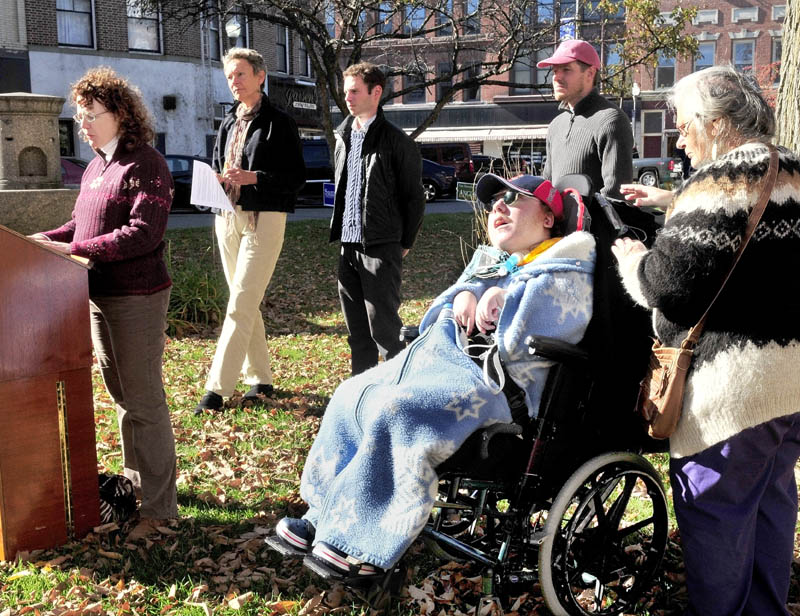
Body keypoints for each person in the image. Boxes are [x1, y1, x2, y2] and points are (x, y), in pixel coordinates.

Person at [272, 174, 596, 575]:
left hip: (498, 389)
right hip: (439, 367)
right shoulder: (491, 261)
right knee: (351, 393)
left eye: (512, 199)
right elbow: (433, 319)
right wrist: (466, 294)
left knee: (397, 410)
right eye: (494, 199)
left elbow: (530, 344)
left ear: (548, 217)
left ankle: (363, 541)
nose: (497, 206)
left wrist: (503, 299)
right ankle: (321, 512)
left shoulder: (566, 268)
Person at [611, 65, 800, 616]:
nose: (678, 135)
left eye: (683, 121)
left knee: (717, 514)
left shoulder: (716, 183)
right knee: (769, 503)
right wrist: (672, 200)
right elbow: (753, 228)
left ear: (716, 123)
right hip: (789, 385)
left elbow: (666, 286)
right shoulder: (789, 167)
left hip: (729, 394)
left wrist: (632, 261)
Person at [30, 67, 177, 539]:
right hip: (97, 294)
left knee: (144, 400)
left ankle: (160, 510)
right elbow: (80, 228)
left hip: (137, 294)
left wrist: (75, 252)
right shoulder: (97, 165)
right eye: (80, 115)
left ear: (121, 114)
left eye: (92, 114)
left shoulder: (147, 164)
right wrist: (35, 241)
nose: (83, 124)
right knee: (121, 398)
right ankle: (136, 488)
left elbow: (142, 234)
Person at [193, 48, 305, 415]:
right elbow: (216, 162)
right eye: (229, 76)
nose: (234, 82)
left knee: (240, 302)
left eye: (240, 74)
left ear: (260, 76)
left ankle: (216, 390)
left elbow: (296, 179)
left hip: (265, 217)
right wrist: (214, 177)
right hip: (227, 216)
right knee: (245, 300)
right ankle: (261, 377)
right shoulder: (228, 121)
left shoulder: (279, 122)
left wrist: (255, 177)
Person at [330, 62, 426, 376]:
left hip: (381, 248)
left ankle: (402, 395)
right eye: (346, 92)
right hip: (348, 247)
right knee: (357, 335)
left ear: (376, 92)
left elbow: (414, 198)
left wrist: (405, 242)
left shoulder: (398, 142)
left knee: (385, 331)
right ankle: (362, 396)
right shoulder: (343, 136)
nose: (348, 98)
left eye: (355, 91)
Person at [538, 39, 633, 199]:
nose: (557, 78)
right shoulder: (556, 125)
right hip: (557, 224)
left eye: (566, 70)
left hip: (595, 224)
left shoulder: (611, 120)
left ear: (590, 73)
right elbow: (547, 190)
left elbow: (616, 197)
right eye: (555, 71)